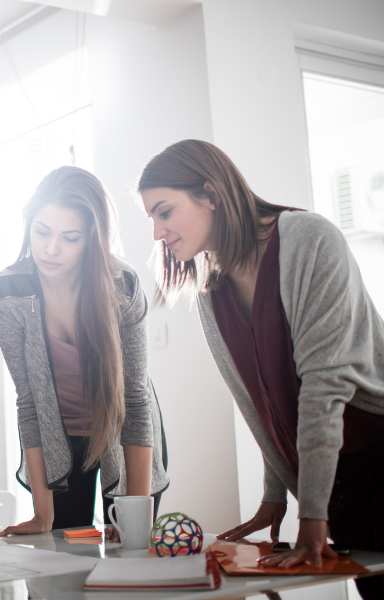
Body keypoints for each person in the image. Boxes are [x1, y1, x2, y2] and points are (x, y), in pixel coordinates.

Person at [139, 139, 384, 598]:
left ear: (210, 195)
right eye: (151, 217)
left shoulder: (309, 239)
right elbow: (265, 404)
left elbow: (324, 387)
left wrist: (311, 516)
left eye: (164, 212)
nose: (157, 233)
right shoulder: (211, 291)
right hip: (338, 484)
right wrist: (276, 496)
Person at [0, 166, 168, 537]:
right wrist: (42, 513)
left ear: (91, 238)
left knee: (130, 557)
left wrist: (136, 516)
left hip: (124, 432)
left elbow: (135, 402)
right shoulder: (8, 292)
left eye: (69, 238)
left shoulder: (123, 285)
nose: (51, 249)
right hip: (60, 440)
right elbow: (29, 404)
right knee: (65, 562)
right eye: (42, 232)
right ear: (28, 224)